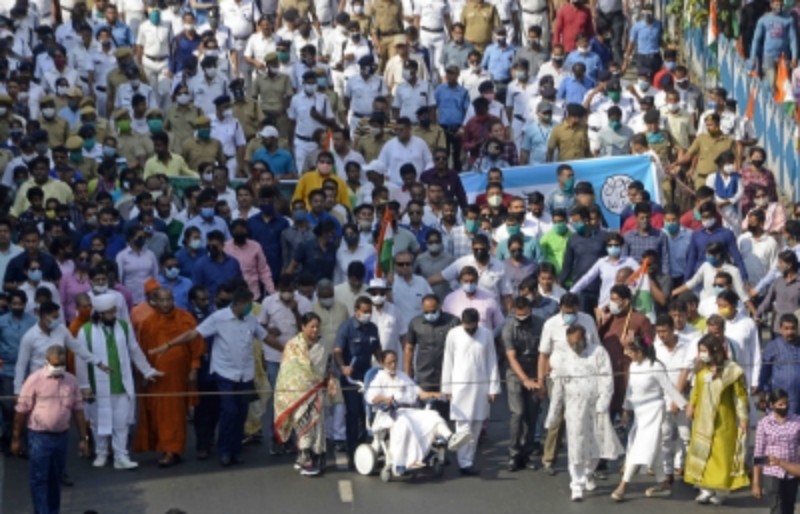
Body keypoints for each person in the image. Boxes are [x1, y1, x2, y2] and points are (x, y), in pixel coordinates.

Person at [153, 287, 268, 467]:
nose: (249, 308)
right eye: (247, 305)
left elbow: (267, 338)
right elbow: (193, 334)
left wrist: (287, 349)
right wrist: (168, 345)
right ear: (237, 304)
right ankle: (224, 450)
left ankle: (235, 450)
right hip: (225, 374)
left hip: (245, 374)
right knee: (229, 411)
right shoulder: (219, 318)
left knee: (241, 413)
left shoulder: (251, 321)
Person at [75, 293, 162, 470]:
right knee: (98, 422)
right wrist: (84, 386)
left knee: (121, 423)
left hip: (121, 384)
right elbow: (80, 360)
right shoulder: (85, 331)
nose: (113, 315)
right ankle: (101, 453)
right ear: (99, 313)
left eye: (114, 311)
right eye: (109, 313)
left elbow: (134, 350)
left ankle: (121, 456)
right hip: (96, 386)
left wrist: (147, 370)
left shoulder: (123, 326)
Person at [545, 324, 622, 501]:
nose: (576, 346)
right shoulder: (563, 358)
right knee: (576, 446)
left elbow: (607, 378)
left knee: (598, 444)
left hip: (596, 407)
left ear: (585, 338)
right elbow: (558, 390)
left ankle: (588, 473)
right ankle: (576, 485)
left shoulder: (598, 352)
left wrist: (603, 402)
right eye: (572, 343)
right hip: (574, 410)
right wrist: (553, 415)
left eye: (578, 342)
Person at [365, 349, 471, 477]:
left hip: (410, 411)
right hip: (391, 412)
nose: (393, 365)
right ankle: (399, 464)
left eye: (395, 362)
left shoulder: (402, 376)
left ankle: (450, 438)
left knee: (433, 416)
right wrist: (384, 399)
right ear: (382, 363)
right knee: (403, 423)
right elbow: (370, 397)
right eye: (389, 363)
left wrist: (436, 394)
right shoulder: (379, 378)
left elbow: (419, 393)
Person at [12, 345, 90, 514]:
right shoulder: (34, 379)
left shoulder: (71, 381)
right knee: (39, 479)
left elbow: (78, 411)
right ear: (46, 362)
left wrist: (84, 439)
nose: (58, 368)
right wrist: (16, 439)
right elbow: (21, 411)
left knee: (55, 479)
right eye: (55, 364)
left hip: (61, 437)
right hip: (39, 437)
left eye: (61, 364)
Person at [133, 287, 204, 467]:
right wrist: (144, 373)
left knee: (174, 414)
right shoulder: (148, 322)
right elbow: (142, 350)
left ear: (173, 300)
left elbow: (196, 345)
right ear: (154, 302)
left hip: (178, 376)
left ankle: (172, 450)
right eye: (161, 300)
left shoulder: (185, 318)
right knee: (159, 414)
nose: (165, 304)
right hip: (157, 377)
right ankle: (166, 448)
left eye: (168, 300)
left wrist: (194, 368)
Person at [610, 337, 687, 501]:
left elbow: (669, 389)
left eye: (631, 352)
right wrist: (626, 410)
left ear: (640, 351)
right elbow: (630, 390)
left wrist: (684, 405)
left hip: (654, 411)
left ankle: (623, 486)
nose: (629, 355)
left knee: (638, 448)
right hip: (639, 412)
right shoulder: (633, 365)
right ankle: (664, 484)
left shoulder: (655, 366)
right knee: (654, 450)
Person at [685, 334, 750, 505]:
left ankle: (721, 491)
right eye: (700, 351)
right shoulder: (701, 369)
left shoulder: (732, 371)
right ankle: (704, 489)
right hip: (702, 420)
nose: (701, 354)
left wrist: (743, 418)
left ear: (715, 351)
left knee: (721, 455)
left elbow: (740, 396)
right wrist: (691, 405)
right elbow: (696, 390)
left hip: (723, 420)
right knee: (703, 454)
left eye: (704, 351)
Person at [441, 307, 501, 476]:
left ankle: (468, 459)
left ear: (477, 322)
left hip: (480, 387)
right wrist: (447, 387)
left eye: (471, 325)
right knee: (462, 426)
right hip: (459, 387)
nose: (469, 329)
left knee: (476, 425)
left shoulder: (486, 333)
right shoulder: (453, 334)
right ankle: (464, 462)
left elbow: (492, 361)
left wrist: (493, 387)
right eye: (466, 325)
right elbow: (448, 360)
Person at [274, 312, 335, 477]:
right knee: (303, 424)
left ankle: (315, 457)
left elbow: (328, 365)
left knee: (318, 426)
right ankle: (306, 457)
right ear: (303, 327)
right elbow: (288, 370)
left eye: (317, 326)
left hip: (317, 392)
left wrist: (330, 380)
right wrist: (306, 383)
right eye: (311, 326)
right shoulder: (293, 345)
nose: (315, 330)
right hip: (298, 394)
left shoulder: (323, 344)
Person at [334, 295, 383, 460]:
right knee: (353, 413)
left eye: (370, 312)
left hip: (367, 376)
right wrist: (343, 367)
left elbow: (377, 349)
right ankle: (352, 450)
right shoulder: (346, 327)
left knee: (367, 412)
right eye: (364, 312)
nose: (367, 314)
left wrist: (385, 364)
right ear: (356, 311)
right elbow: (338, 351)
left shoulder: (373, 328)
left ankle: (367, 447)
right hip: (351, 378)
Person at [502, 297, 545, 472]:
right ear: (514, 312)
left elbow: (544, 353)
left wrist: (541, 380)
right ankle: (513, 453)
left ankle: (526, 454)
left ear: (530, 310)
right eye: (518, 314)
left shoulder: (540, 324)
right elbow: (511, 357)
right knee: (518, 413)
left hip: (535, 372)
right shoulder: (509, 328)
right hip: (515, 374)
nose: (522, 317)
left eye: (525, 314)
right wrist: (524, 379)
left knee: (532, 415)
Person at [752, 387, 800, 514]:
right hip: (772, 473)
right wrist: (756, 483)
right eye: (780, 404)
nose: (784, 407)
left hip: (792, 472)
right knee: (777, 507)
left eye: (786, 403)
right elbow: (758, 454)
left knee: (789, 507)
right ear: (772, 405)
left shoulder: (797, 421)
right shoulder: (764, 424)